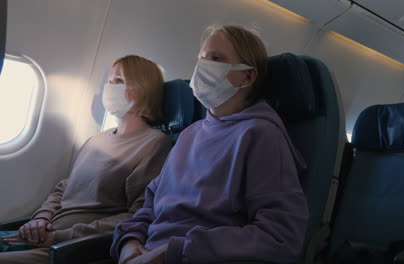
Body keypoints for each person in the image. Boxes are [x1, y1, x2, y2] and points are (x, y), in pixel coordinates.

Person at [111, 25, 309, 264]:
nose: (202, 66)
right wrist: (129, 243)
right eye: (201, 59)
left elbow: (280, 236)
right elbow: (150, 206)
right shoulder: (188, 135)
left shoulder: (261, 135)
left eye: (216, 59)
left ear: (247, 76)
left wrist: (170, 253)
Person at [0, 55, 172, 263]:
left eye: (118, 81)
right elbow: (64, 188)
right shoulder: (96, 140)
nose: (109, 88)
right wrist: (40, 219)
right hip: (43, 233)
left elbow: (136, 215)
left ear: (143, 87)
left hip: (71, 247)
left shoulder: (154, 144)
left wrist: (59, 237)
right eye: (109, 81)